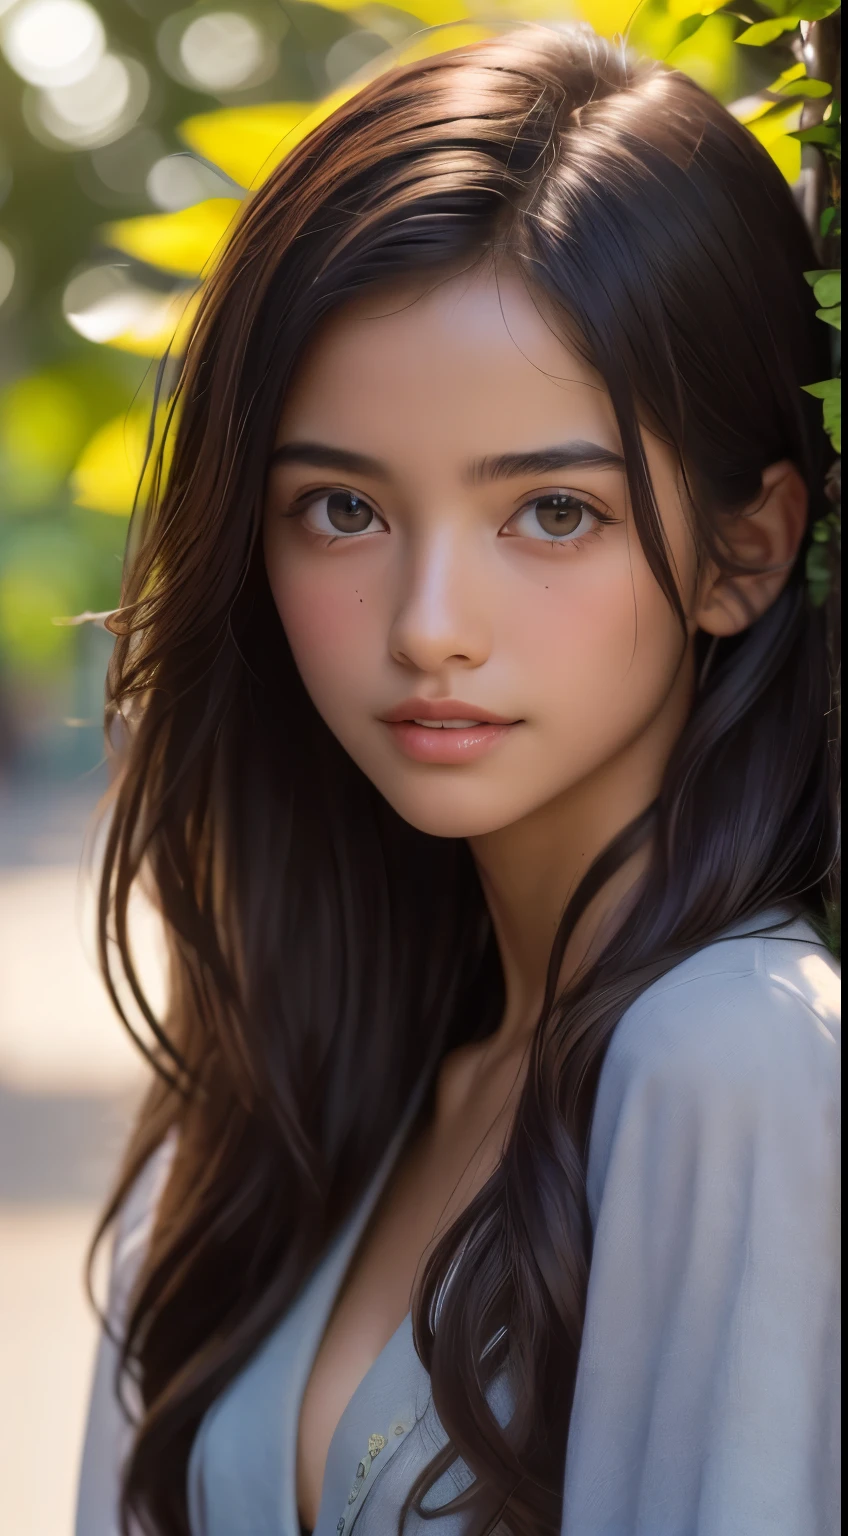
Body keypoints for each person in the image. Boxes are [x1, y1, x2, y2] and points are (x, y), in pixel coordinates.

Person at [76, 23, 840, 1536]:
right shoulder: (303, 1069)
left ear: (743, 550)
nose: (429, 627)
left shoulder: (734, 1059)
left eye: (553, 511)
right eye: (342, 507)